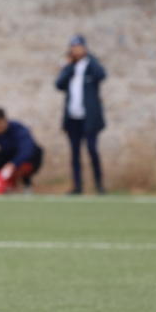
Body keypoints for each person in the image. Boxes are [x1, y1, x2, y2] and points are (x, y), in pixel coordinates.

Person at [55, 35, 106, 194]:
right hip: (72, 117)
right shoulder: (69, 66)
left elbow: (102, 75)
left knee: (91, 149)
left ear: (84, 48)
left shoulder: (91, 64)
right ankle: (77, 186)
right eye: (73, 48)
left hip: (90, 117)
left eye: (79, 47)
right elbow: (59, 84)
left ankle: (99, 185)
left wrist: (90, 58)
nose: (76, 51)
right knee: (75, 152)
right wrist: (69, 66)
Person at [0, 108, 43, 194]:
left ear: (5, 120)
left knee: (27, 160)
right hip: (8, 157)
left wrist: (12, 164)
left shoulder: (19, 129)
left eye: (0, 123)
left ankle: (26, 185)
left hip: (28, 158)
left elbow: (26, 151)